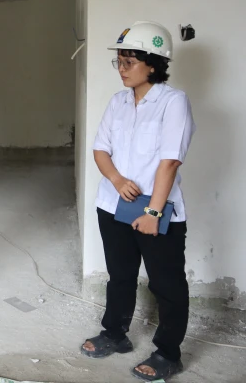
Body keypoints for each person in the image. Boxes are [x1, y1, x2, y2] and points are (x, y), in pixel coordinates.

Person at [81, 21, 195, 382]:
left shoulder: (173, 102)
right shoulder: (118, 102)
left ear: (153, 63)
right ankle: (115, 334)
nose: (122, 68)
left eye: (129, 61)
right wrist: (116, 181)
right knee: (120, 276)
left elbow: (170, 161)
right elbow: (100, 149)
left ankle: (168, 353)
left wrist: (152, 211)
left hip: (155, 212)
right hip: (112, 206)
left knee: (166, 285)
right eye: (119, 61)